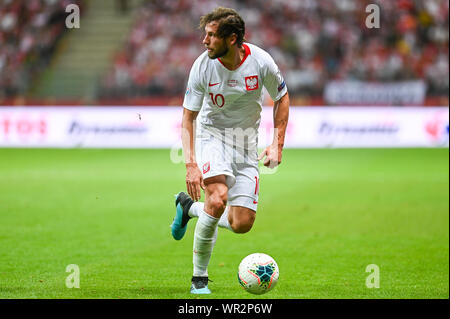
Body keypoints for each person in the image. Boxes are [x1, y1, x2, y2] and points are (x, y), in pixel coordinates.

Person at [170, 7, 289, 294]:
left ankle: (188, 208)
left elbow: (282, 98)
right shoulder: (202, 66)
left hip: (247, 144)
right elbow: (188, 116)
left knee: (241, 224)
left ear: (232, 38)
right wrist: (190, 165)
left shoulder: (262, 62)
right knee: (218, 197)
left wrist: (276, 144)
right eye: (205, 34)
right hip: (213, 137)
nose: (205, 41)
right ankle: (199, 278)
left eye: (211, 35)